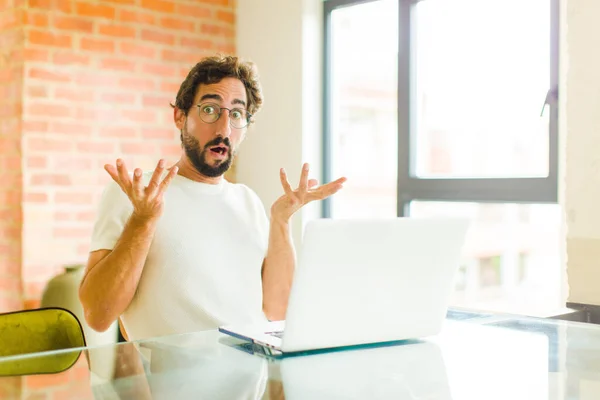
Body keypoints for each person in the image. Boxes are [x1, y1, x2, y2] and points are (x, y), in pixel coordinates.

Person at [78, 55, 346, 341]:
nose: (223, 129)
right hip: (174, 383)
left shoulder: (247, 201)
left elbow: (278, 309)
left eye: (236, 114)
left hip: (253, 378)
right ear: (180, 116)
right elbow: (98, 314)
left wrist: (280, 220)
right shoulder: (137, 193)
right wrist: (143, 221)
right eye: (209, 110)